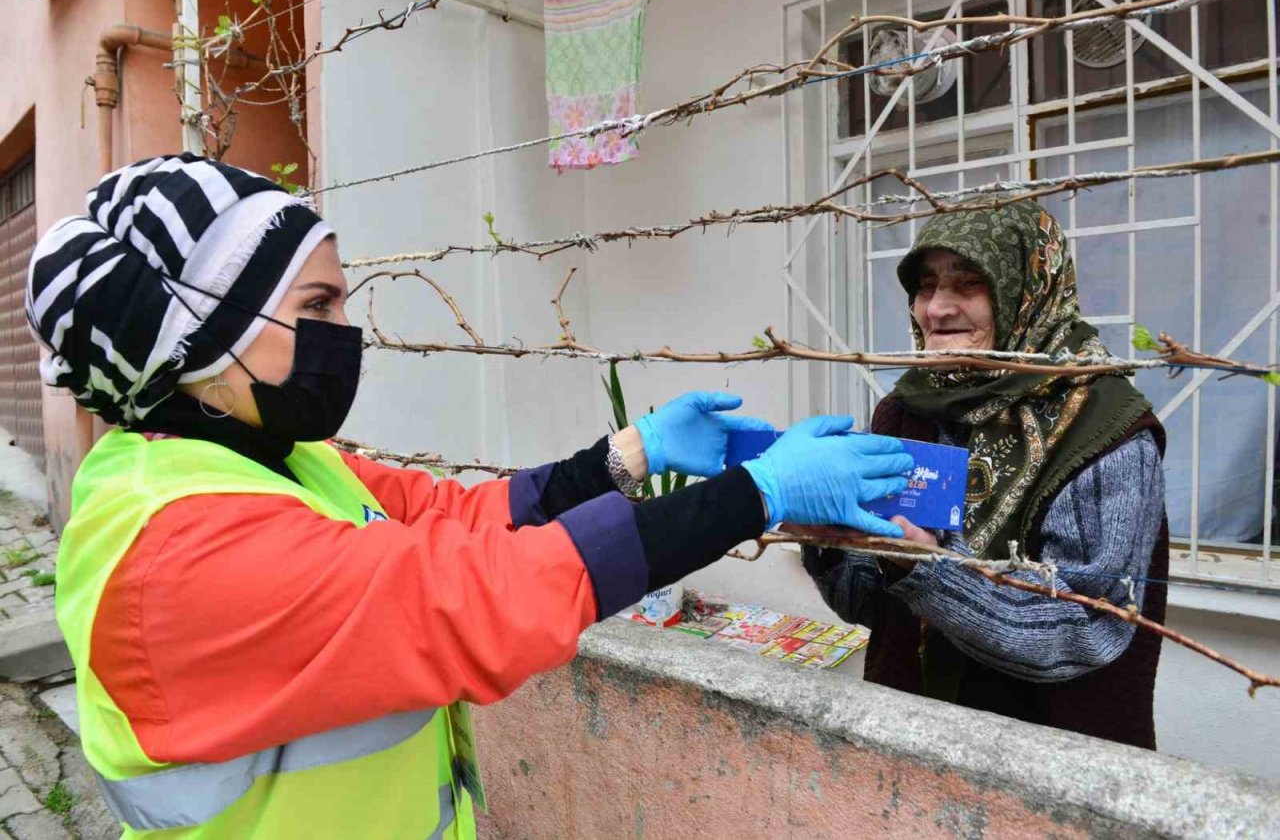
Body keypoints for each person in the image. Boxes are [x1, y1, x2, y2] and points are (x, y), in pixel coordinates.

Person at [27, 154, 915, 839]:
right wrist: (753, 496)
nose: (346, 331)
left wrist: (628, 453)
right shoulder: (180, 546)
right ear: (203, 334)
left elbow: (450, 522)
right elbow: (476, 596)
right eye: (319, 303)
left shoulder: (270, 462)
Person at [805, 200, 1169, 749]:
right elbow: (877, 609)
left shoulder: (1103, 430)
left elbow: (1086, 633)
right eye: (926, 287)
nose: (937, 309)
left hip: (1044, 757)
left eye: (969, 284)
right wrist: (829, 544)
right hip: (909, 738)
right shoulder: (907, 410)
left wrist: (927, 569)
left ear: (1028, 290)